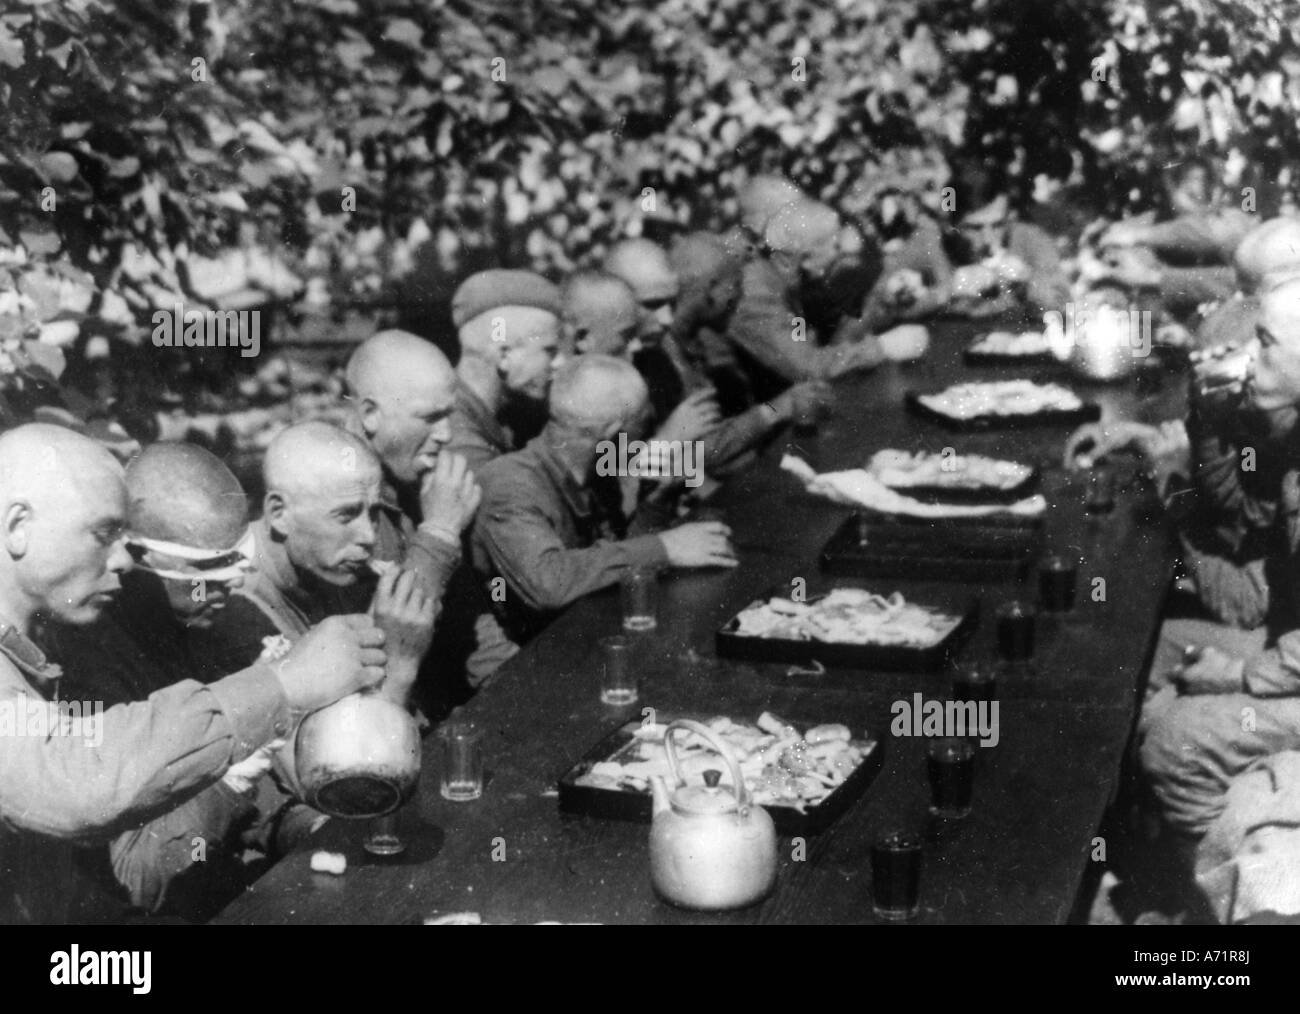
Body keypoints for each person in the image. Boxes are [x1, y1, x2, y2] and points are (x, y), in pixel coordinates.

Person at [0, 424, 386, 923]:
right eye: (103, 533)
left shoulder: (36, 650)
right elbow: (77, 780)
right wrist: (280, 687)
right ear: (17, 526)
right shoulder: (76, 657)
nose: (124, 559)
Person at [1138, 276, 1300, 838]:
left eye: (1266, 341)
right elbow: (1245, 529)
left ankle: (1207, 891)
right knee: (1147, 655)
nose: (1246, 355)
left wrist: (1241, 673)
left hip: (1288, 660)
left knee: (1174, 744)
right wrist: (1207, 414)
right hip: (1287, 647)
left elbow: (1243, 573)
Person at [470, 355, 738, 655]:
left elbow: (615, 558)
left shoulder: (592, 473)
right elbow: (548, 583)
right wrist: (666, 547)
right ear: (614, 433)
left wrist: (655, 502)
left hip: (576, 633)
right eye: (643, 424)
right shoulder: (511, 484)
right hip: (517, 658)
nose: (646, 436)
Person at [597, 240, 833, 475]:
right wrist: (774, 411)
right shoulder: (607, 376)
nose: (667, 318)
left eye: (671, 302)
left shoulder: (658, 353)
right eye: (652, 304)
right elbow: (684, 461)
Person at [344, 329, 481, 605]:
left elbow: (466, 616)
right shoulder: (336, 502)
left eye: (447, 416)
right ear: (370, 414)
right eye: (430, 417)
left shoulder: (409, 476)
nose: (446, 434)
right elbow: (386, 630)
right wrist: (440, 530)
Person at [726, 197, 890, 401]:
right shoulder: (755, 296)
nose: (837, 255)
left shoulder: (784, 282)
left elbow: (805, 347)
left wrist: (868, 313)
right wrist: (883, 347)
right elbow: (807, 368)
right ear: (796, 259)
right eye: (833, 246)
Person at [1094, 158, 1255, 319]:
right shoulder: (1152, 221)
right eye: (1188, 191)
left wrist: (1152, 274)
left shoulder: (1235, 220)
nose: (1200, 198)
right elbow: (1119, 260)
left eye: (1204, 190)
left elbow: (1211, 236)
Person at [446, 269, 565, 473]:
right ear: (504, 355)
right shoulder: (460, 441)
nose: (559, 363)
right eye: (550, 351)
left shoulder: (478, 419)